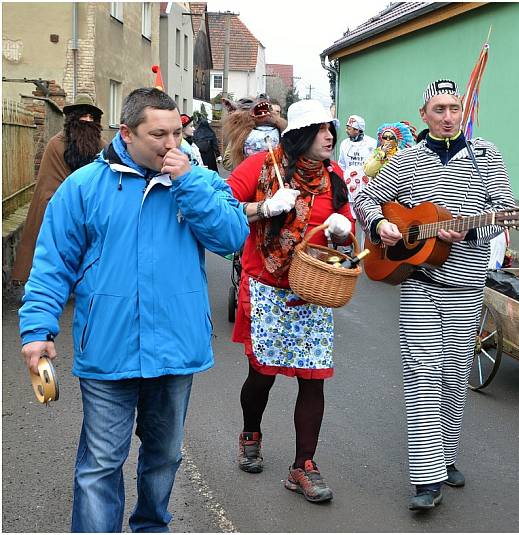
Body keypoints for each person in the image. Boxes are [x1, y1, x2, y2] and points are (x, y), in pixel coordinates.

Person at [17, 87, 249, 532]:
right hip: (108, 347)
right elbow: (52, 265)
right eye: (158, 134)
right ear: (126, 132)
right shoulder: (83, 188)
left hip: (175, 348)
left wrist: (189, 183)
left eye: (177, 133)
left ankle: (150, 527)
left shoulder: (195, 179)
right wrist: (37, 331)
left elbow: (232, 237)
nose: (171, 144)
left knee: (163, 457)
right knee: (101, 463)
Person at [353, 79, 516, 511]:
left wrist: (472, 226)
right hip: (419, 283)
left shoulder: (487, 156)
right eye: (439, 109)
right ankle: (427, 479)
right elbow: (365, 199)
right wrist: (379, 225)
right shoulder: (405, 159)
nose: (448, 117)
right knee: (423, 375)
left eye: (454, 108)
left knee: (455, 376)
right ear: (423, 114)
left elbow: (503, 213)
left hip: (467, 285)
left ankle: (445, 456)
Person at [226, 99, 354, 504]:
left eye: (330, 128)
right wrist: (261, 207)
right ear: (300, 135)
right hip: (265, 284)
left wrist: (343, 228)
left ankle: (303, 466)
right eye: (320, 129)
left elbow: (348, 226)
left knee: (313, 379)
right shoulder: (262, 167)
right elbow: (222, 209)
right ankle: (251, 434)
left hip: (313, 289)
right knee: (261, 375)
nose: (329, 135)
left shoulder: (334, 178)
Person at [11, 93, 106, 285]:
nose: (87, 120)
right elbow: (48, 184)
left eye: (91, 117)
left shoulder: (102, 146)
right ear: (73, 118)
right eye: (83, 116)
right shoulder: (56, 144)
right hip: (60, 206)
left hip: (92, 206)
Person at [222, 95, 287, 170]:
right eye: (272, 110)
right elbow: (227, 163)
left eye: (277, 112)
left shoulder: (280, 131)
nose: (274, 113)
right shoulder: (243, 134)